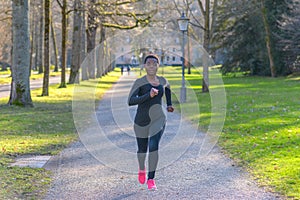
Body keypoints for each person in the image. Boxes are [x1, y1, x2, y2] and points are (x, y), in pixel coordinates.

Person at [128, 54, 174, 190]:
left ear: (158, 65)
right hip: (141, 120)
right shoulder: (139, 82)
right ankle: (142, 168)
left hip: (158, 119)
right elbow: (131, 101)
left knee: (153, 147)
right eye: (149, 63)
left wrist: (169, 104)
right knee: (142, 150)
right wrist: (149, 95)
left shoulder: (162, 80)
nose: (152, 65)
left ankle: (151, 179)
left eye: (155, 63)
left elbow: (168, 89)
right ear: (144, 66)